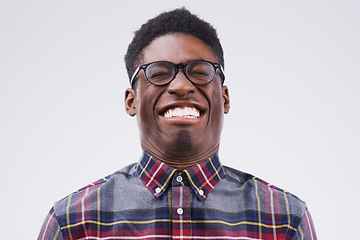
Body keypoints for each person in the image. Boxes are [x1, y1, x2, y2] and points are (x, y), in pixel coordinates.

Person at [38, 8, 317, 240]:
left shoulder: (285, 219)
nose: (182, 86)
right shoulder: (73, 222)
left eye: (200, 72)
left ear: (225, 97)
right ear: (131, 101)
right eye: (159, 73)